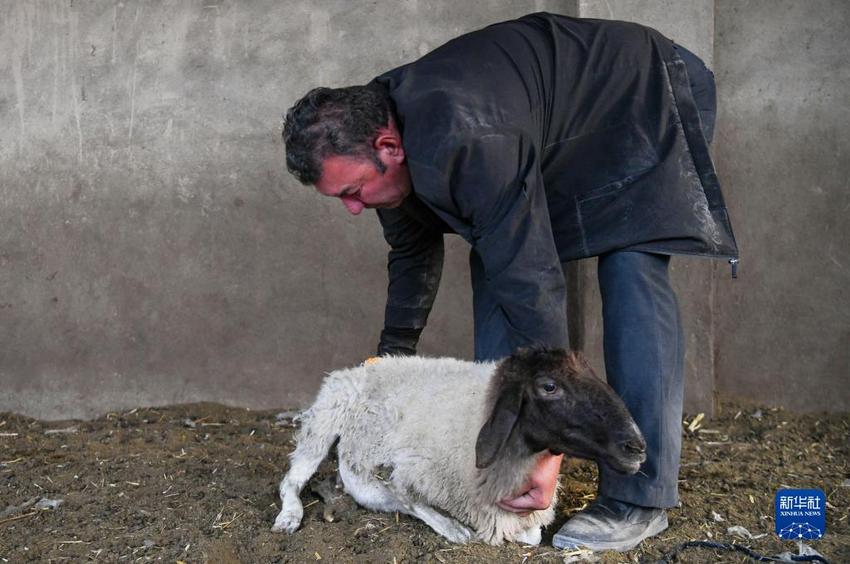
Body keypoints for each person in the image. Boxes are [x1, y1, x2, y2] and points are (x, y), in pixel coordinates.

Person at [282, 12, 738, 552]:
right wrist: (388, 360)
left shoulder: (463, 137)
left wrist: (547, 453)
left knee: (629, 266)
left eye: (352, 192)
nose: (354, 209)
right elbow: (411, 251)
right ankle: (501, 469)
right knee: (497, 263)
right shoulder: (384, 137)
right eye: (344, 199)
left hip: (644, 93)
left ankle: (639, 497)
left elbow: (533, 281)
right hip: (561, 127)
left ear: (388, 147)